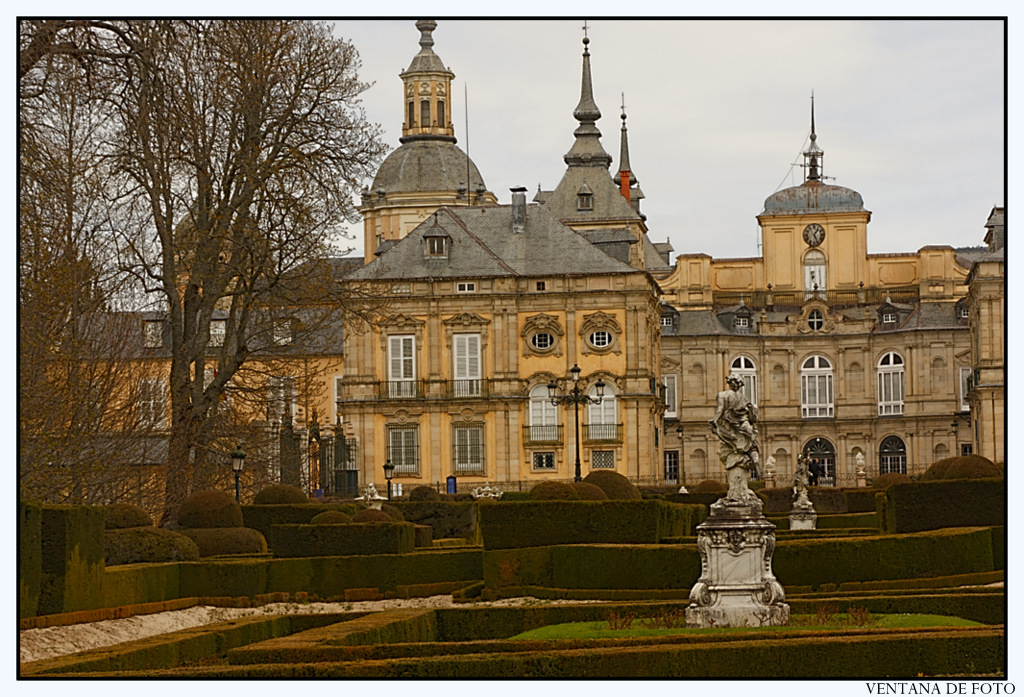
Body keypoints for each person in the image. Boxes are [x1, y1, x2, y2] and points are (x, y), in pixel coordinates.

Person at [709, 373, 760, 502]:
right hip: (740, 423)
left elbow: (720, 410)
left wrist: (715, 420)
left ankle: (738, 492)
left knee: (738, 444)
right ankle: (755, 458)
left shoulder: (724, 395)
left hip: (731, 423)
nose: (734, 384)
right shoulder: (741, 397)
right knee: (751, 441)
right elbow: (750, 415)